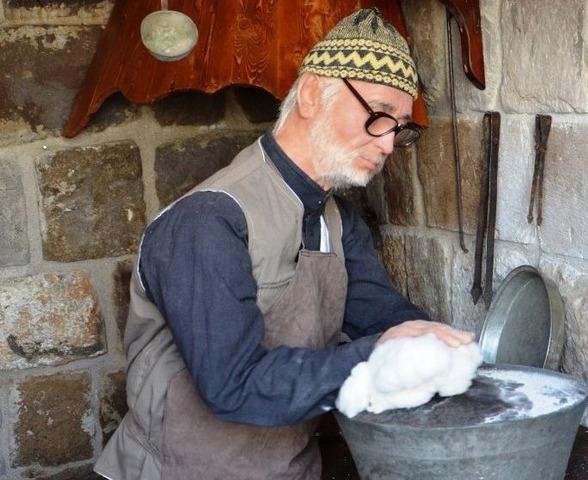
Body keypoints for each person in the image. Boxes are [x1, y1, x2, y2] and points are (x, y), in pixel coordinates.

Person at [95, 8, 473, 480]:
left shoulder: (340, 222)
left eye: (400, 127)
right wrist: (381, 355)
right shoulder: (208, 221)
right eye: (379, 116)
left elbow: (386, 318)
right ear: (314, 93)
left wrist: (452, 352)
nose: (389, 144)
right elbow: (234, 387)